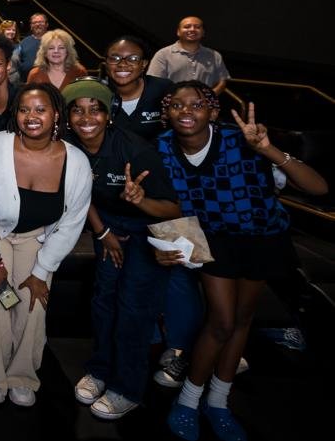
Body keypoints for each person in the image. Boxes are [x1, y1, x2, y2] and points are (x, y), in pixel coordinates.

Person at [155, 83, 326, 441]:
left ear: (213, 111)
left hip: (262, 238)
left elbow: (319, 189)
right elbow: (169, 203)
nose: (186, 110)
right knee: (222, 321)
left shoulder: (241, 140)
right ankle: (187, 402)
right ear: (166, 112)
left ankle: (218, 402)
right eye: (177, 104)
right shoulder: (162, 148)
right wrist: (171, 248)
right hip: (213, 241)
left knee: (242, 320)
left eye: (197, 104)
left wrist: (270, 150)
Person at [0, 83, 92, 407]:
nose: (31, 116)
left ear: (56, 114)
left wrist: (42, 270)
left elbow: (72, 223)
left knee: (33, 303)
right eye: (24, 109)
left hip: (38, 238)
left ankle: (21, 375)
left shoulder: (76, 163)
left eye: (40, 109)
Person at [61, 79, 181, 420]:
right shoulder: (69, 146)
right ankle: (100, 370)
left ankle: (126, 388)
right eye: (78, 110)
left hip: (148, 228)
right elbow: (80, 196)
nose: (87, 118)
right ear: (68, 117)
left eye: (95, 109)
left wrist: (142, 202)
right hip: (109, 228)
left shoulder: (136, 150)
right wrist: (103, 233)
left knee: (133, 309)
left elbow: (174, 209)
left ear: (108, 115)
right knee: (104, 301)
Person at [104, 36, 172, 143]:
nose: (122, 64)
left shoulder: (162, 89)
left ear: (144, 64)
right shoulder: (98, 94)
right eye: (115, 58)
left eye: (133, 59)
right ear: (106, 63)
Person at [147, 16, 231, 96]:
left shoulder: (214, 56)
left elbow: (222, 81)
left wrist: (207, 98)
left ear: (203, 32)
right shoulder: (163, 54)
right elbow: (154, 83)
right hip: (173, 106)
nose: (192, 29)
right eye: (187, 27)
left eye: (197, 27)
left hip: (204, 107)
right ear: (178, 32)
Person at [14, 13, 48, 82]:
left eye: (41, 22)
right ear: (31, 26)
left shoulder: (54, 40)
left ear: (47, 24)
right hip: (26, 83)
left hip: (48, 83)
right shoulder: (24, 42)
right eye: (34, 23)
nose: (37, 24)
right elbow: (15, 59)